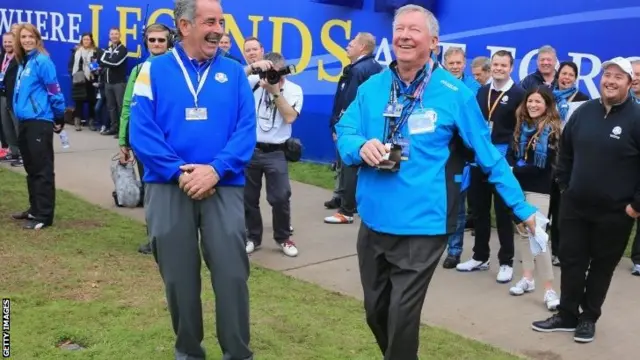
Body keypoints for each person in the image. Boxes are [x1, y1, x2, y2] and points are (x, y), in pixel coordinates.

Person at [335, 5, 536, 359]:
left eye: (414, 30)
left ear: (434, 41)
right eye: (400, 29)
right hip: (375, 221)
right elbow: (345, 129)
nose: (405, 36)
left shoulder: (453, 93)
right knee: (376, 312)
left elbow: (488, 155)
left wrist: (520, 207)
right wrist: (358, 145)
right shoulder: (373, 86)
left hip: (424, 224)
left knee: (401, 316)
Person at [129, 0, 256, 358]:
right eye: (210, 21)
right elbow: (141, 131)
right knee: (179, 280)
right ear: (185, 26)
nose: (219, 29)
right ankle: (188, 352)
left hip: (223, 186)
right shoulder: (151, 70)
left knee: (232, 277)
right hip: (168, 187)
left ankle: (237, 353)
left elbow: (246, 130)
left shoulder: (234, 73)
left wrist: (215, 169)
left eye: (222, 22)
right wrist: (179, 171)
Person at [531, 57, 640, 344]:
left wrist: (635, 206)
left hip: (616, 213)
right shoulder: (584, 112)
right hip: (575, 207)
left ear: (630, 83)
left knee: (602, 266)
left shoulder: (637, 118)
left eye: (618, 77)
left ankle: (588, 317)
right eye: (607, 75)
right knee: (571, 261)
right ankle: (567, 314)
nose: (611, 81)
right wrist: (565, 186)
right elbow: (565, 152)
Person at [456, 50, 526, 283]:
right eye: (495, 64)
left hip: (503, 159)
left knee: (504, 211)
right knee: (479, 209)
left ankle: (506, 261)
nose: (498, 69)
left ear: (511, 67)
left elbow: (521, 131)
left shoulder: (519, 94)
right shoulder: (483, 91)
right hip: (479, 158)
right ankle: (480, 256)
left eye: (503, 65)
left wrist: (514, 161)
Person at [242, 51, 302, 257]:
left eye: (278, 74)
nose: (274, 77)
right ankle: (252, 237)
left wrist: (275, 91)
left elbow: (289, 117)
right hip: (251, 149)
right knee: (248, 197)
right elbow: (231, 82)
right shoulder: (254, 83)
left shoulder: (294, 90)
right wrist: (254, 68)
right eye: (271, 73)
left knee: (280, 197)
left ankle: (284, 238)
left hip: (276, 151)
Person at [118, 23, 172, 255]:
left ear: (169, 42)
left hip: (172, 142)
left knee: (174, 194)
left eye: (162, 40)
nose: (157, 44)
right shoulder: (138, 70)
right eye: (153, 40)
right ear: (146, 42)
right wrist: (123, 141)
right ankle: (155, 238)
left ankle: (176, 238)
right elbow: (128, 106)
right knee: (151, 191)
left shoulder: (178, 68)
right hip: (145, 144)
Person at [508, 89, 561, 310]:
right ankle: (527, 278)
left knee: (538, 236)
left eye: (537, 101)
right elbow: (512, 153)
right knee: (522, 233)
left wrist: (513, 170)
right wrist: (511, 166)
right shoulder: (521, 126)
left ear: (547, 105)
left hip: (539, 189)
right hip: (517, 189)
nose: (532, 105)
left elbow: (544, 167)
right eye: (530, 100)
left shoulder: (553, 130)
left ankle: (549, 289)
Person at [10, 23, 66, 230]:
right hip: (25, 121)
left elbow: (54, 90)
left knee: (42, 168)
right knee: (31, 167)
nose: (26, 40)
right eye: (23, 37)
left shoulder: (42, 61)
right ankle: (34, 209)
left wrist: (59, 116)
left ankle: (44, 215)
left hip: (39, 120)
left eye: (30, 37)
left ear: (37, 38)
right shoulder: (25, 61)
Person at [324, 32, 382, 225]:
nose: (347, 46)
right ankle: (343, 198)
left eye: (351, 44)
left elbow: (349, 102)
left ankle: (346, 210)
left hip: (354, 127)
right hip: (369, 126)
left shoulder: (358, 70)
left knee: (348, 164)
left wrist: (338, 125)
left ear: (362, 48)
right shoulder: (375, 67)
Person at [547, 60, 590, 266]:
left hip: (569, 160)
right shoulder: (549, 98)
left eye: (570, 75)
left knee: (562, 210)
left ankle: (560, 250)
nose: (566, 78)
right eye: (563, 74)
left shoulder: (583, 100)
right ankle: (543, 250)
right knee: (546, 206)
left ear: (576, 78)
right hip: (547, 157)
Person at [100, 27, 128, 136]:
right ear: (109, 36)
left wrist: (106, 60)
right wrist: (107, 60)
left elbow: (115, 63)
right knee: (111, 107)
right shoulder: (108, 48)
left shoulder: (123, 49)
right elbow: (101, 61)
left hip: (119, 83)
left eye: (116, 34)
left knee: (121, 107)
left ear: (120, 35)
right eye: (112, 34)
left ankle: (123, 131)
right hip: (108, 83)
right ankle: (114, 128)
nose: (114, 36)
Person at [68, 32, 97, 131]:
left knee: (91, 101)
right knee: (78, 101)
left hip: (90, 78)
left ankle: (91, 122)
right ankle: (77, 122)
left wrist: (95, 73)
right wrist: (74, 76)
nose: (86, 41)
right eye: (84, 39)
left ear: (91, 41)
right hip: (79, 79)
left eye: (88, 39)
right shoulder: (76, 52)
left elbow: (96, 65)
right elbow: (71, 65)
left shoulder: (95, 52)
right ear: (82, 41)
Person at [1, 31, 20, 166]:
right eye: (5, 42)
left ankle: (24, 155)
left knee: (17, 126)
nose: (7, 44)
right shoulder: (2, 56)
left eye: (10, 41)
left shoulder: (20, 58)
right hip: (2, 95)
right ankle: (13, 152)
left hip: (15, 97)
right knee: (6, 126)